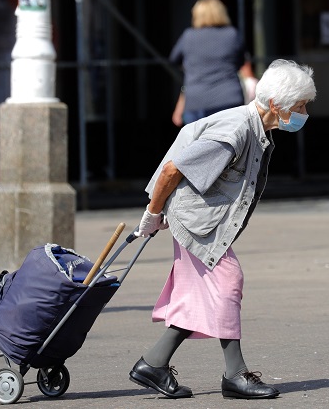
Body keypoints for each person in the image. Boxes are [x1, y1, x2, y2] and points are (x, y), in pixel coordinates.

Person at [129, 59, 316, 400]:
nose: (304, 113)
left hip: (201, 222)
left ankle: (153, 363)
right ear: (276, 105)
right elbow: (172, 169)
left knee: (200, 296)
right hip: (197, 225)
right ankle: (236, 375)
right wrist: (152, 213)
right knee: (229, 281)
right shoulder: (236, 132)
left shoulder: (257, 128)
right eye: (300, 106)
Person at [169, 0, 248, 127]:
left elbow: (173, 60)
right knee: (231, 145)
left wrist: (191, 68)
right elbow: (240, 62)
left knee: (198, 145)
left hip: (196, 101)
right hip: (229, 99)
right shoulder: (232, 34)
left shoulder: (188, 36)